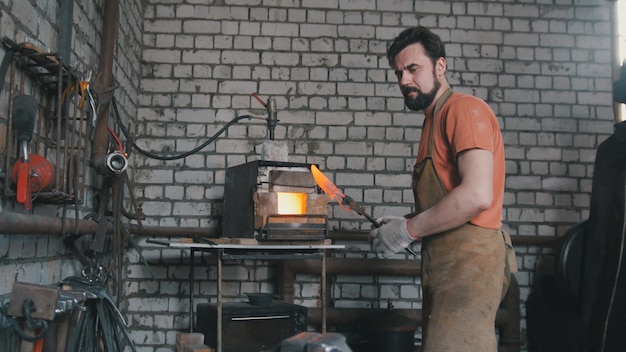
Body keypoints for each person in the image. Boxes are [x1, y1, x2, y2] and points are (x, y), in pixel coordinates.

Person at [370, 26, 516, 352]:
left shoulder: (463, 110)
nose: (404, 80)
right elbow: (450, 194)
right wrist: (402, 221)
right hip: (444, 268)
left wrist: (408, 230)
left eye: (412, 69)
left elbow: (477, 195)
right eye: (398, 73)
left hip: (470, 265)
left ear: (440, 66)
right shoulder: (432, 122)